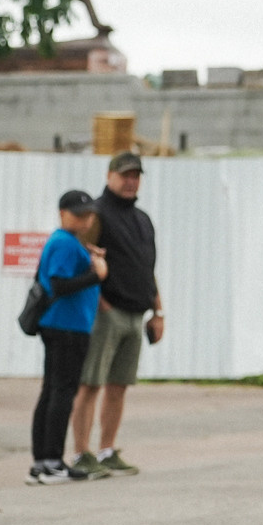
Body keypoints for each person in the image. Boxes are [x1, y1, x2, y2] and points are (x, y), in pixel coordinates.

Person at [71, 153, 164, 478]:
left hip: (136, 313)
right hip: (106, 313)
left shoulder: (142, 219)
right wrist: (101, 304)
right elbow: (81, 260)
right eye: (125, 174)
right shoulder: (96, 215)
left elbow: (147, 268)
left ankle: (107, 450)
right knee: (91, 383)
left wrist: (158, 310)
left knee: (119, 385)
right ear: (110, 175)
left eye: (136, 175)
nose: (131, 180)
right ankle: (82, 453)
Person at [29, 191, 110, 484]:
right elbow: (59, 285)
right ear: (62, 212)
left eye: (88, 214)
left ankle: (42, 462)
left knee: (52, 390)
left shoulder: (67, 241)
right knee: (61, 393)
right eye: (78, 213)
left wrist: (89, 263)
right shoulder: (63, 241)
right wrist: (97, 274)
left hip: (63, 325)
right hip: (67, 327)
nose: (85, 219)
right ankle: (51, 462)